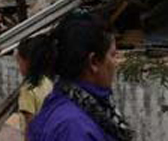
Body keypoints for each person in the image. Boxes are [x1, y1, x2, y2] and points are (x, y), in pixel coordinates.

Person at [29, 12, 133, 141]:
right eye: (112, 55)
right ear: (93, 62)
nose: (116, 63)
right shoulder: (74, 127)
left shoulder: (67, 103)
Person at [17, 35, 54, 134]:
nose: (18, 66)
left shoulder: (27, 90)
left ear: (27, 62)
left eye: (19, 61)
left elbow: (31, 126)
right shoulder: (48, 82)